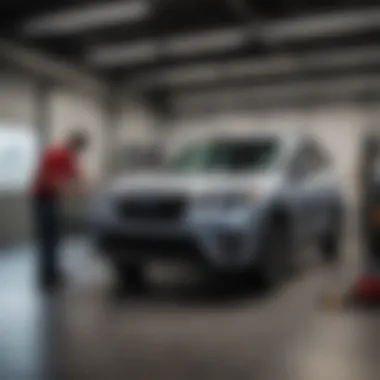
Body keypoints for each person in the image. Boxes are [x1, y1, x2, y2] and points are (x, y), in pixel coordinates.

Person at [31, 131, 89, 289]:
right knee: (48, 238)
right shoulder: (56, 154)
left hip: (53, 199)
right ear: (74, 143)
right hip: (44, 199)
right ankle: (47, 275)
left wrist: (80, 188)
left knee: (55, 238)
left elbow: (76, 175)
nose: (78, 152)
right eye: (78, 148)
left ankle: (53, 271)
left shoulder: (69, 157)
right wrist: (67, 191)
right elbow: (50, 179)